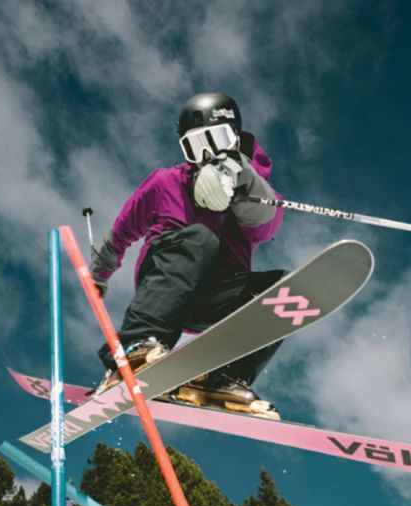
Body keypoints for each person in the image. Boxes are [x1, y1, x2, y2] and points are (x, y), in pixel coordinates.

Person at [90, 91, 286, 419]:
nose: (207, 154)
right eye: (195, 147)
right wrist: (99, 274)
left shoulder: (252, 188)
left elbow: (266, 225)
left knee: (281, 290)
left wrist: (241, 181)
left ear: (235, 139)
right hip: (166, 287)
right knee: (200, 239)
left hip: (216, 297)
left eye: (217, 140)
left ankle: (225, 379)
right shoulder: (166, 183)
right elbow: (122, 230)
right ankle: (138, 348)